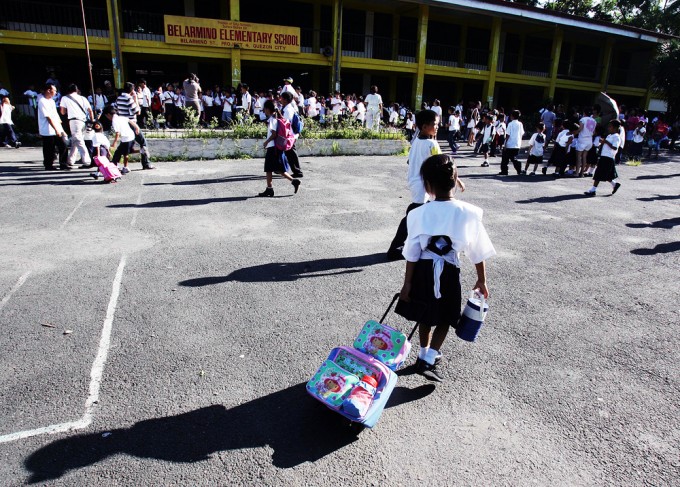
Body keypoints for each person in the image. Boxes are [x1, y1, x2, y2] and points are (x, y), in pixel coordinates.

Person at [400, 154, 495, 382]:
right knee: (445, 316)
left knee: (425, 313)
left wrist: (407, 284)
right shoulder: (470, 213)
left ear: (427, 185)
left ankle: (423, 353)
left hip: (422, 271)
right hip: (450, 271)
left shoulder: (416, 214)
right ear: (455, 178)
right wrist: (481, 279)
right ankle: (430, 357)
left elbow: (412, 254)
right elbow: (477, 249)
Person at [387, 109, 466, 260]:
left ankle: (417, 244)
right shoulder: (431, 143)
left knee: (422, 213)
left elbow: (409, 160)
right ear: (424, 126)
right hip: (422, 185)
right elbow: (444, 163)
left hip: (416, 182)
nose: (438, 126)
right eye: (435, 124)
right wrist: (457, 180)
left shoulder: (416, 140)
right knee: (413, 215)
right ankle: (395, 248)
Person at [257, 99, 300, 197]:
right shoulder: (277, 118)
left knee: (270, 169)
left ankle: (270, 189)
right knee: (277, 169)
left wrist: (266, 142)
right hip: (276, 147)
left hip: (272, 147)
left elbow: (274, 134)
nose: (264, 111)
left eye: (265, 109)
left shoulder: (272, 119)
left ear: (268, 109)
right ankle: (291, 182)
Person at [116, 82, 154, 170]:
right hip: (131, 123)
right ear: (131, 90)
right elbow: (137, 111)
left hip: (123, 124)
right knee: (143, 142)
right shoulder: (128, 98)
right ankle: (146, 163)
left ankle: (115, 162)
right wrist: (135, 98)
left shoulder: (119, 98)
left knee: (124, 145)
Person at [60, 83, 94, 169]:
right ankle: (71, 160)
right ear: (77, 90)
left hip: (74, 121)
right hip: (83, 121)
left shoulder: (65, 98)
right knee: (76, 139)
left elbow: (62, 112)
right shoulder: (83, 98)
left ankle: (87, 160)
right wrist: (92, 121)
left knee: (78, 140)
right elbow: (90, 110)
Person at [584, 119, 622, 196]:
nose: (608, 128)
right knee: (605, 174)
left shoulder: (616, 137)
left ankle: (593, 190)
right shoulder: (609, 135)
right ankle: (615, 184)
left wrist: (606, 142)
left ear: (615, 128)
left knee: (598, 174)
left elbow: (615, 147)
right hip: (604, 156)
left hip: (608, 157)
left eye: (610, 127)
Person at [38, 83, 68, 170]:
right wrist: (56, 129)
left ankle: (63, 163)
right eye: (54, 90)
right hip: (47, 129)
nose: (55, 92)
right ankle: (48, 165)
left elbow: (55, 114)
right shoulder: (42, 101)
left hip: (56, 127)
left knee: (63, 145)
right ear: (48, 90)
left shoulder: (51, 101)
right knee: (49, 148)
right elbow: (48, 117)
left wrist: (60, 126)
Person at [104, 105, 139, 174]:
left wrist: (114, 142)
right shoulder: (122, 117)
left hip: (126, 139)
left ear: (108, 114)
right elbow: (131, 121)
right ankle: (141, 150)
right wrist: (137, 128)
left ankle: (126, 167)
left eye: (107, 117)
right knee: (119, 152)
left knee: (125, 154)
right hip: (131, 136)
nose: (108, 118)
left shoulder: (114, 121)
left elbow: (117, 133)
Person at [279, 91, 304, 178]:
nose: (280, 100)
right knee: (289, 153)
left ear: (285, 100)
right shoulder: (287, 108)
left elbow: (286, 123)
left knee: (291, 153)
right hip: (290, 135)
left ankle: (297, 171)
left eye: (281, 98)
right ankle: (293, 170)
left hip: (290, 135)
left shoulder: (288, 110)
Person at [500, 110, 524, 175]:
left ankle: (504, 171)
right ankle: (519, 169)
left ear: (512, 116)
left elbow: (508, 135)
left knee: (505, 158)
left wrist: (505, 144)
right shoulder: (520, 124)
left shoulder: (510, 124)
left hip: (510, 144)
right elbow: (522, 133)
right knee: (514, 158)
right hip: (517, 144)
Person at [574, 109, 597, 177]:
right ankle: (582, 173)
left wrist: (574, 133)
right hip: (589, 140)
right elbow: (594, 132)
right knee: (584, 156)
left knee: (578, 157)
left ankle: (577, 172)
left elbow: (580, 129)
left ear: (584, 113)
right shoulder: (594, 121)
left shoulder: (583, 119)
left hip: (582, 139)